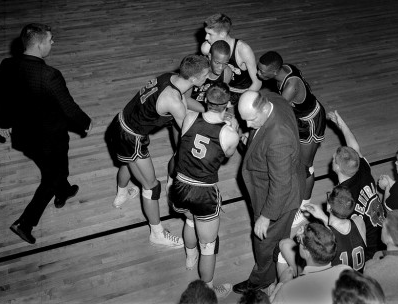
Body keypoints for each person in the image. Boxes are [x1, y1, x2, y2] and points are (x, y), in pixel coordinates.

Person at [0, 23, 92, 244]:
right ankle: (25, 222)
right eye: (50, 40)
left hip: (24, 136)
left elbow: (1, 97)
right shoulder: (49, 75)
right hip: (50, 137)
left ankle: (64, 192)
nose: (52, 43)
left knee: (53, 168)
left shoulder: (8, 64)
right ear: (39, 45)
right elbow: (68, 107)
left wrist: (3, 123)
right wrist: (85, 123)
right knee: (54, 174)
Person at [107, 54, 210, 247]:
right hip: (131, 138)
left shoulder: (170, 78)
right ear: (195, 79)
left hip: (120, 123)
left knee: (129, 163)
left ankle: (121, 194)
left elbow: (186, 104)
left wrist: (208, 109)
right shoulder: (174, 101)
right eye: (205, 75)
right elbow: (186, 137)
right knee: (152, 186)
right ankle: (157, 233)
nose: (208, 78)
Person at [169, 82, 239, 298]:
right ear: (227, 103)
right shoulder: (229, 133)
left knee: (190, 221)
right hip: (204, 193)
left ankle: (190, 258)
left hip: (179, 186)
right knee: (208, 244)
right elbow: (228, 154)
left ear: (206, 100)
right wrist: (233, 125)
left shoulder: (189, 117)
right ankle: (208, 292)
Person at [233, 91, 305, 294]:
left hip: (279, 198)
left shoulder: (278, 138)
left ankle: (261, 280)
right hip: (279, 182)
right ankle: (280, 262)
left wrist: (266, 216)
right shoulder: (273, 99)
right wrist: (251, 136)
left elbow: (281, 185)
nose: (247, 124)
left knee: (264, 242)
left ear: (264, 109)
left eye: (251, 120)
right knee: (277, 239)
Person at [256, 51, 327, 229]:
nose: (258, 73)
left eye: (261, 72)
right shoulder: (285, 70)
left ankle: (304, 208)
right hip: (299, 118)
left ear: (273, 72)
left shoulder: (290, 86)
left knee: (305, 167)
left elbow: (275, 112)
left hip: (310, 121)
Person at [328, 110, 386, 258]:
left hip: (369, 248)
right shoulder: (362, 169)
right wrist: (341, 123)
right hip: (384, 231)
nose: (332, 159)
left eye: (334, 159)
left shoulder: (342, 196)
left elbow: (339, 228)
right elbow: (354, 148)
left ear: (337, 168)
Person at [270, 222, 351, 304]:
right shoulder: (345, 270)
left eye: (300, 242)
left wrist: (282, 282)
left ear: (307, 252)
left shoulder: (290, 290)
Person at [201, 13, 262, 106]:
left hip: (240, 91)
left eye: (210, 34)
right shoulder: (207, 47)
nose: (206, 37)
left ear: (223, 34)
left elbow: (257, 82)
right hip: (221, 86)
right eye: (206, 33)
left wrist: (241, 102)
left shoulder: (243, 49)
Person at [304, 186, 367, 271]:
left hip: (337, 283)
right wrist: (322, 216)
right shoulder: (359, 222)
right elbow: (339, 232)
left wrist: (322, 217)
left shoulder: (325, 237)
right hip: (359, 280)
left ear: (328, 206)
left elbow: (332, 234)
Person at [187, 40, 232, 111]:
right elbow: (186, 99)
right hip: (192, 107)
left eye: (225, 63)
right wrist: (208, 111)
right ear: (210, 56)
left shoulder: (227, 72)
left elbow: (220, 96)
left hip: (211, 107)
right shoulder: (196, 70)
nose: (221, 67)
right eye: (217, 63)